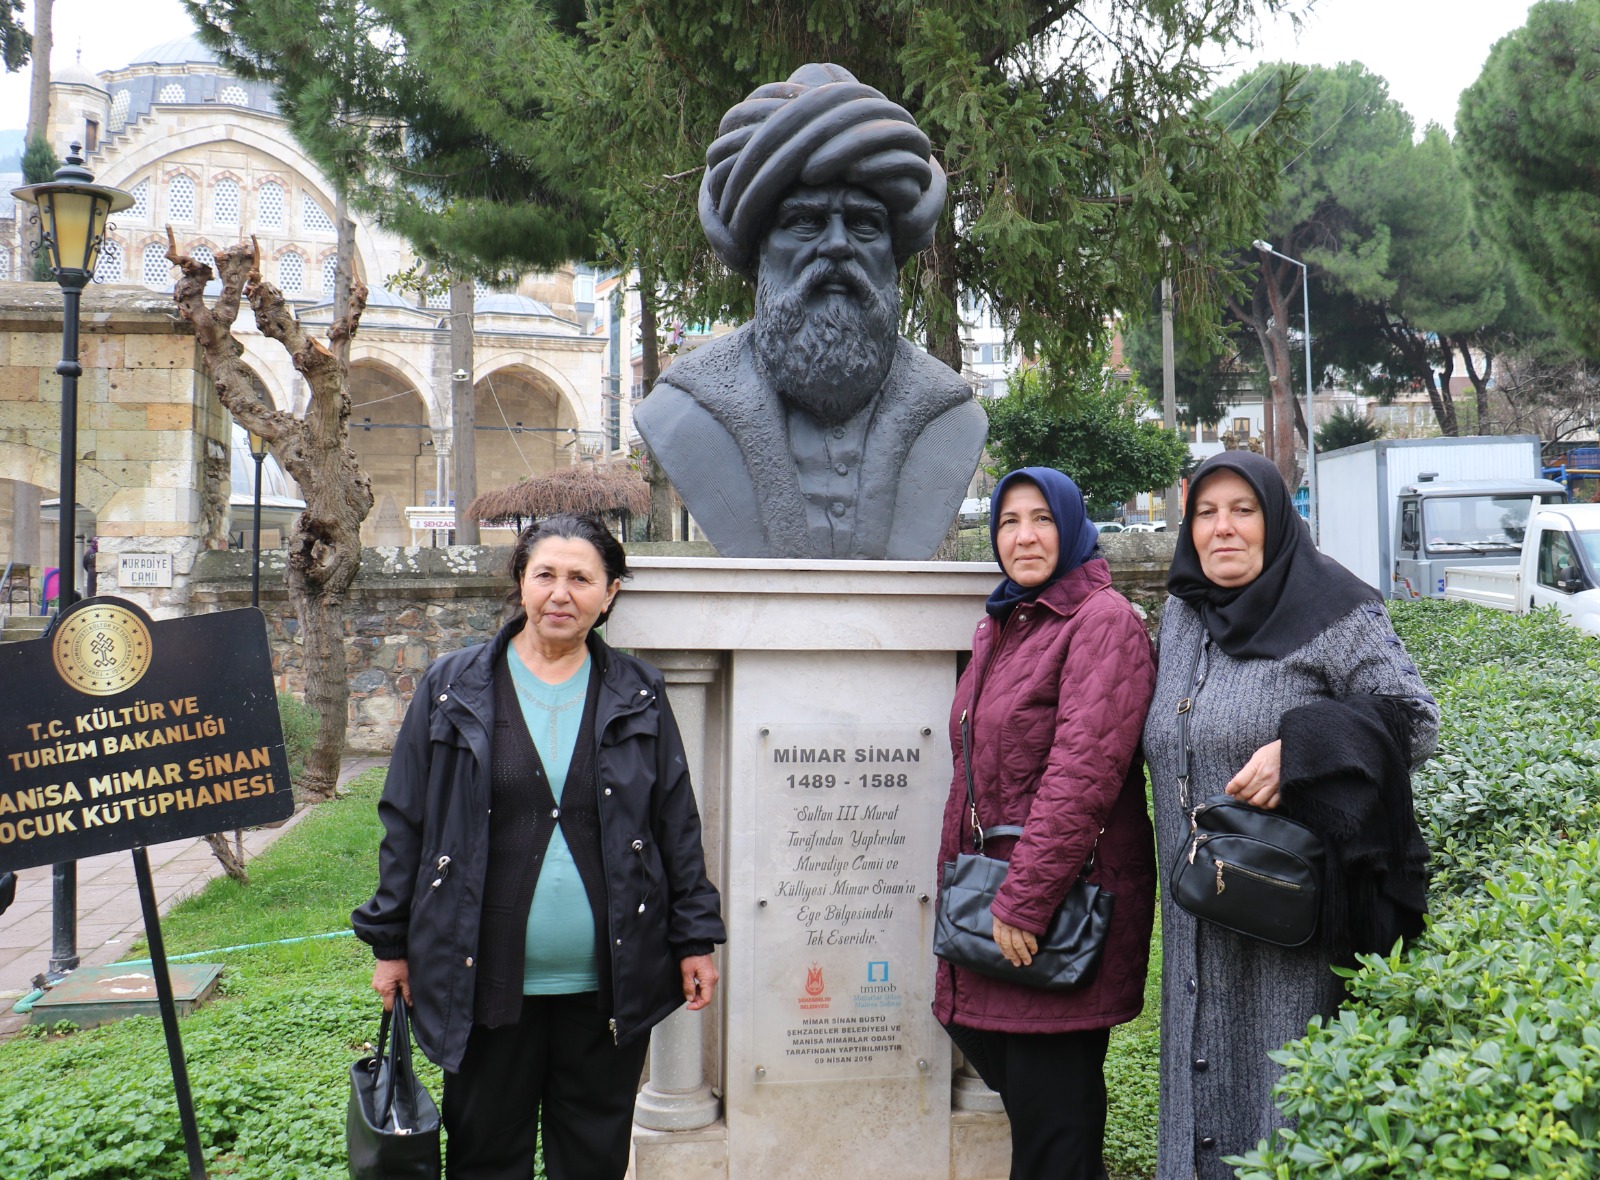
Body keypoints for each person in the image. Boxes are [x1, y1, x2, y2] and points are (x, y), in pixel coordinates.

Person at [352, 513, 726, 1180]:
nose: (561, 592)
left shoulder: (637, 691)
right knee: (485, 1154)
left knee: (592, 1155)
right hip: (483, 973)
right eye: (545, 574)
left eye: (581, 578)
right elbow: (405, 820)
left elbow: (675, 820)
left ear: (610, 593)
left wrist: (695, 936)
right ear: (519, 582)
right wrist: (392, 945)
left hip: (609, 979)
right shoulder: (451, 687)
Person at [1143, 451, 1438, 1178]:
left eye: (1243, 510)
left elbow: (1416, 719)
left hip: (1292, 922)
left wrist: (1298, 748)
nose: (1224, 529)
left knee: (1281, 1099)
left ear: (1277, 519)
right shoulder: (1182, 615)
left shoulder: (1335, 608)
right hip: (1195, 914)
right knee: (1194, 1085)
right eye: (1207, 513)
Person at [634, 62, 987, 560]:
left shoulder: (952, 417)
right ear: (759, 249)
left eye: (865, 225)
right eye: (805, 221)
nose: (838, 246)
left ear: (893, 251)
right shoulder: (681, 410)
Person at [933, 467, 1157, 1180]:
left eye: (1041, 519)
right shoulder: (1007, 621)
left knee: (1054, 1135)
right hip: (994, 901)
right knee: (1038, 1118)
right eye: (1008, 521)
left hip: (1051, 912)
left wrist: (1025, 900)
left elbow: (1083, 775)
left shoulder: (1101, 621)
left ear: (1073, 526)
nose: (1023, 536)